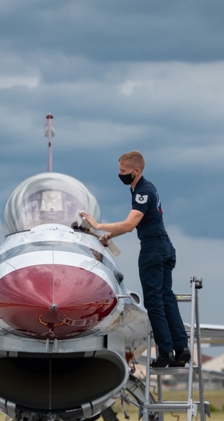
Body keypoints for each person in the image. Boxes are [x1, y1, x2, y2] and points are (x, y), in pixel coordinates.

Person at [79, 151, 189, 368]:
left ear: (136, 171)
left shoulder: (142, 191)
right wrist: (110, 235)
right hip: (164, 247)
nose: (119, 174)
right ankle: (182, 348)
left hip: (153, 250)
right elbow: (138, 223)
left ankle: (165, 352)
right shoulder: (146, 189)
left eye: (123, 171)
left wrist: (98, 225)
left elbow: (130, 224)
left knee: (154, 301)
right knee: (166, 297)